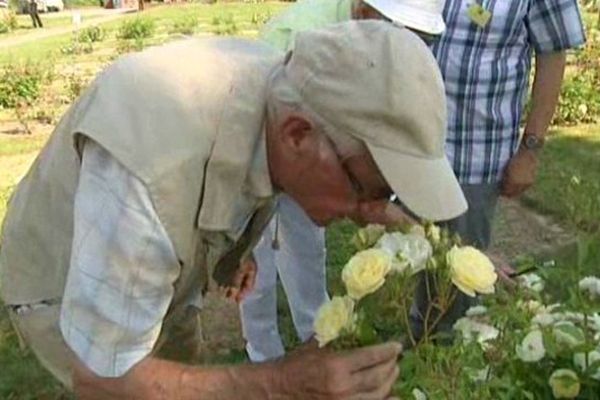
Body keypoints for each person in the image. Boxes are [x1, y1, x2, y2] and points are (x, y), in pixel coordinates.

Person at [0, 21, 467, 398]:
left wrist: (233, 249)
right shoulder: (149, 169)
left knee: (178, 362)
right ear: (299, 136)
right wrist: (280, 383)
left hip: (160, 266)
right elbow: (102, 375)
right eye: (368, 189)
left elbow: (254, 162)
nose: (366, 211)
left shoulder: (286, 90)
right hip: (61, 283)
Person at [241, 0, 447, 363]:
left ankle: (318, 339)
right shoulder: (301, 38)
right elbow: (275, 141)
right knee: (250, 264)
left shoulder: (375, 47)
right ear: (365, 13)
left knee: (305, 253)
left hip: (321, 159)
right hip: (264, 155)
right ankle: (262, 354)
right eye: (403, 32)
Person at [410, 0, 587, 336]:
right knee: (403, 253)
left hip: (474, 154)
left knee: (459, 279)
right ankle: (414, 340)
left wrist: (530, 149)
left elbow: (553, 54)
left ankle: (447, 364)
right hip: (411, 141)